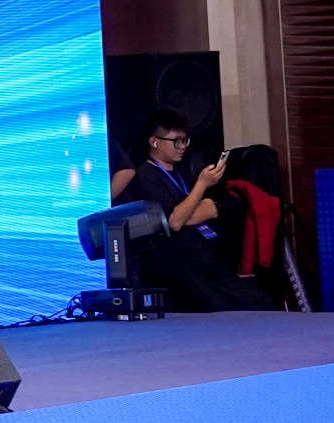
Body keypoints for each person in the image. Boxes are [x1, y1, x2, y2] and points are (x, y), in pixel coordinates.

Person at [112, 111, 266, 312]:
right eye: (176, 141)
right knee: (221, 307)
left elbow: (211, 209)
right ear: (154, 142)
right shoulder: (145, 176)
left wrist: (188, 211)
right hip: (177, 263)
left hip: (206, 257)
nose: (182, 146)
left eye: (185, 140)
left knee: (261, 302)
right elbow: (175, 221)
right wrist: (201, 185)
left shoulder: (183, 172)